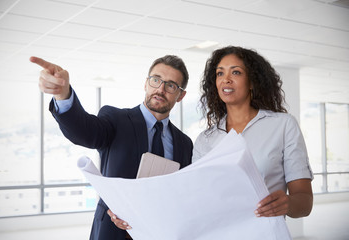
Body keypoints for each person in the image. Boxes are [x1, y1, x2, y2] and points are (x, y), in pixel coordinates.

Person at [30, 55, 193, 240]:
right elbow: (84, 132)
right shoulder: (116, 119)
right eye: (156, 80)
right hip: (113, 232)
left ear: (181, 95)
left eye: (171, 85)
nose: (160, 89)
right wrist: (62, 94)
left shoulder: (184, 143)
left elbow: (181, 193)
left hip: (159, 233)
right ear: (146, 84)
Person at [193, 46, 313, 218]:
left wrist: (287, 204)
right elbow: (198, 196)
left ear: (251, 82)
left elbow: (305, 203)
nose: (226, 79)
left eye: (235, 72)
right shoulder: (205, 140)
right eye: (220, 73)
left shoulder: (283, 126)